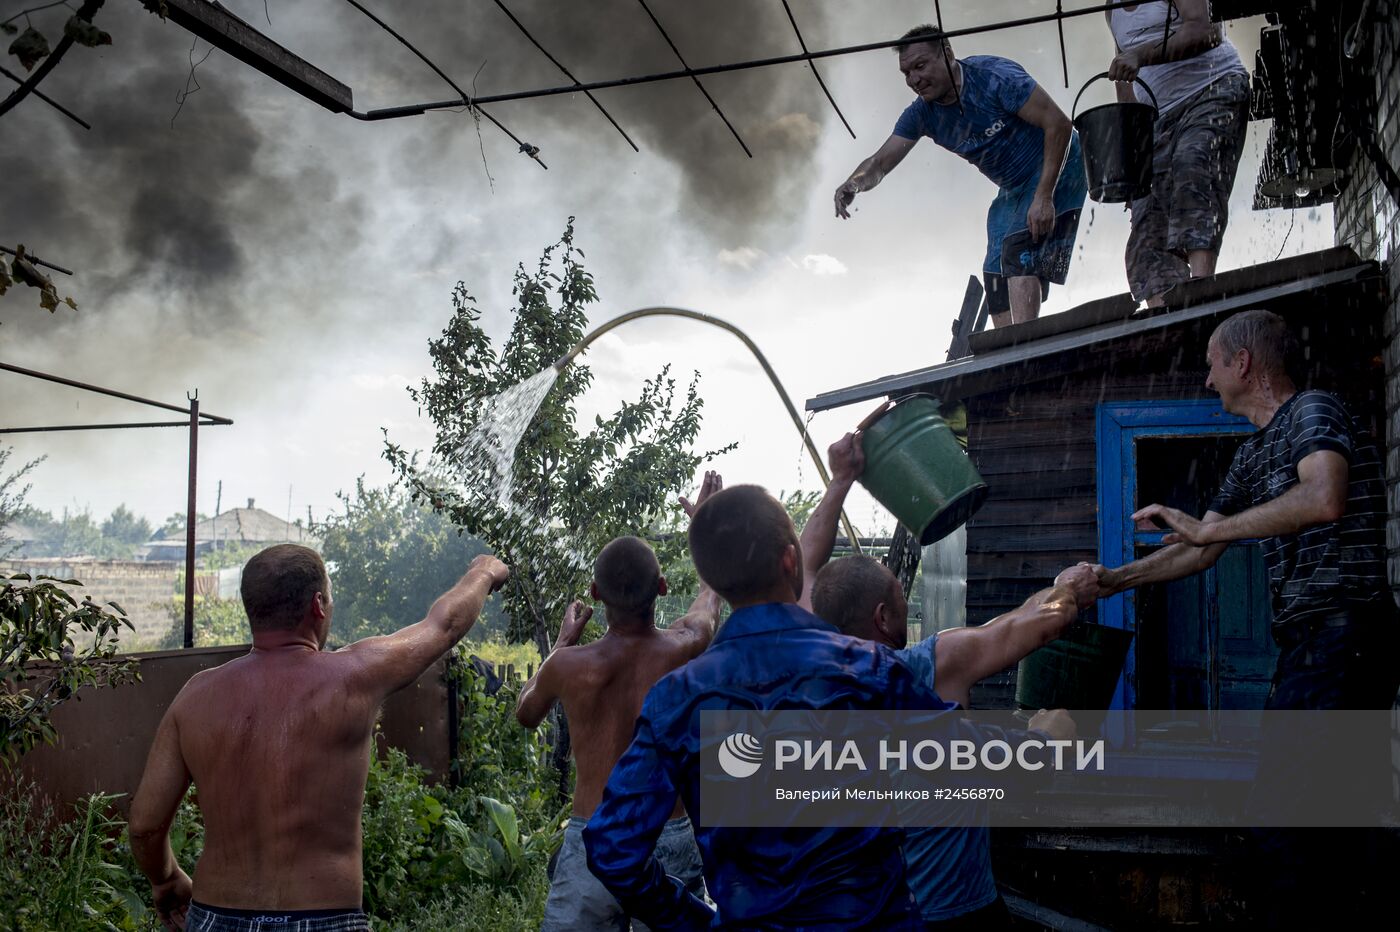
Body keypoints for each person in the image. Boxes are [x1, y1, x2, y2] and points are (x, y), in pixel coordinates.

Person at [582, 483, 1073, 930]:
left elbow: (612, 851)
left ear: (712, 578)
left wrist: (695, 921)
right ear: (790, 561)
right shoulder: (866, 671)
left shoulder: (677, 700)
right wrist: (1048, 743)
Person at [1090, 309, 1400, 926]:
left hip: (1346, 634)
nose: (1207, 380)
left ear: (1243, 362)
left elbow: (1324, 497)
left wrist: (1210, 530)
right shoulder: (1253, 454)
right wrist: (1112, 581)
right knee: (1341, 816)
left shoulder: (1312, 411)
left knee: (1282, 820)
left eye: (1212, 365)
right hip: (1311, 646)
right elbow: (1200, 548)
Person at [799, 425, 1098, 929]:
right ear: (883, 618)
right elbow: (1042, 624)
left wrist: (840, 480)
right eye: (900, 596)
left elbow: (807, 563)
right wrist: (1068, 589)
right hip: (950, 914)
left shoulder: (810, 658)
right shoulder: (926, 669)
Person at [128, 545, 510, 932]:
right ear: (318, 605)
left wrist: (165, 878)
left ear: (252, 608)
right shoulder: (353, 676)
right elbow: (444, 626)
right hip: (322, 918)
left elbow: (145, 826)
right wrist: (484, 572)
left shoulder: (194, 696)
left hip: (215, 917)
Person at [516, 473, 724, 931]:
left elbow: (525, 712)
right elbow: (710, 598)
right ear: (662, 587)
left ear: (595, 593)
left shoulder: (567, 665)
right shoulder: (684, 645)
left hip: (594, 834)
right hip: (668, 833)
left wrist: (563, 642)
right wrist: (704, 530)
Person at [834, 25, 1087, 328]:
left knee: (1018, 249)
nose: (914, 79)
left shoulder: (994, 77)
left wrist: (1044, 196)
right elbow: (879, 162)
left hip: (1060, 164)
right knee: (994, 272)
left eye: (920, 66)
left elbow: (1059, 124)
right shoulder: (922, 114)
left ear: (947, 54)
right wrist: (854, 183)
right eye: (906, 73)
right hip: (1013, 188)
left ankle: (1026, 345)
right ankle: (1007, 349)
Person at [1104, 1, 1251, 306]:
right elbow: (1124, 79)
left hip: (1212, 89)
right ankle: (1165, 314)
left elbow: (1207, 30)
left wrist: (1140, 55)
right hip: (1158, 119)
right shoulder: (1111, 8)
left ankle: (1202, 287)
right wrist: (1132, 159)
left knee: (1192, 165)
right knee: (1146, 216)